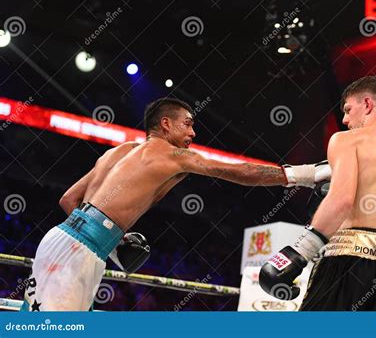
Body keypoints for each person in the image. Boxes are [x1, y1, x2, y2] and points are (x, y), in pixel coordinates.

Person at [22, 97, 331, 311]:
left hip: (61, 240)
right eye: (188, 124)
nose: (193, 133)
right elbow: (237, 172)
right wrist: (303, 174)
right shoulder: (171, 156)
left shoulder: (119, 151)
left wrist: (114, 241)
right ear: (166, 124)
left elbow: (69, 200)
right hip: (80, 252)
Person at [259, 76, 376, 311]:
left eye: (349, 109)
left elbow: (341, 201)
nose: (345, 119)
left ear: (368, 105)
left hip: (348, 266)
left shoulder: (347, 141)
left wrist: (298, 254)